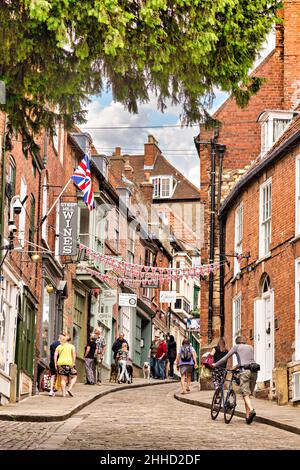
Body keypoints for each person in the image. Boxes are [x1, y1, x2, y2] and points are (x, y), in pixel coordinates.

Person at [212, 335, 259, 424]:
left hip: (245, 372)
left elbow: (225, 358)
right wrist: (236, 367)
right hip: (254, 371)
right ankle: (248, 416)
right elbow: (248, 360)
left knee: (245, 394)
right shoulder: (250, 347)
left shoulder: (236, 347)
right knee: (248, 395)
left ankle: (252, 410)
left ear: (237, 342)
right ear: (244, 341)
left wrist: (216, 364)